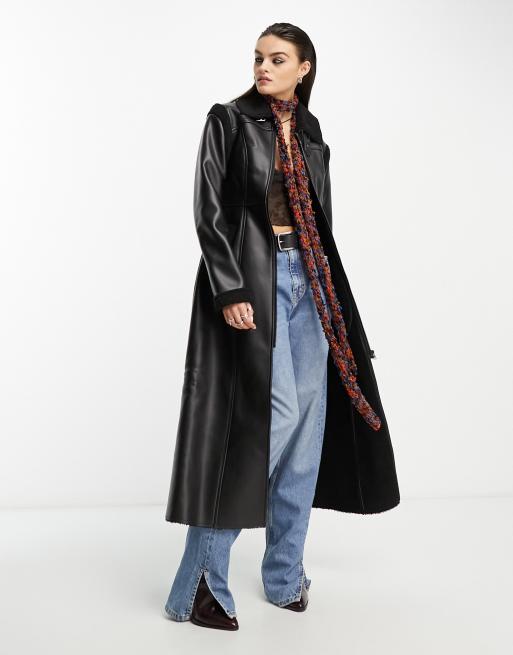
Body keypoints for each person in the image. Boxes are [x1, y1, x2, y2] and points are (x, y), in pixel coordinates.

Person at [163, 23, 400, 631]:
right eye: (258, 58)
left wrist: (332, 302)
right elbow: (209, 210)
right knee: (274, 421)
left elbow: (321, 222)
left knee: (305, 436)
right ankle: (199, 583)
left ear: (304, 68)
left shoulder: (312, 132)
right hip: (255, 280)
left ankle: (285, 575)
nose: (263, 68)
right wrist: (230, 287)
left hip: (309, 282)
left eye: (277, 59)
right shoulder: (228, 120)